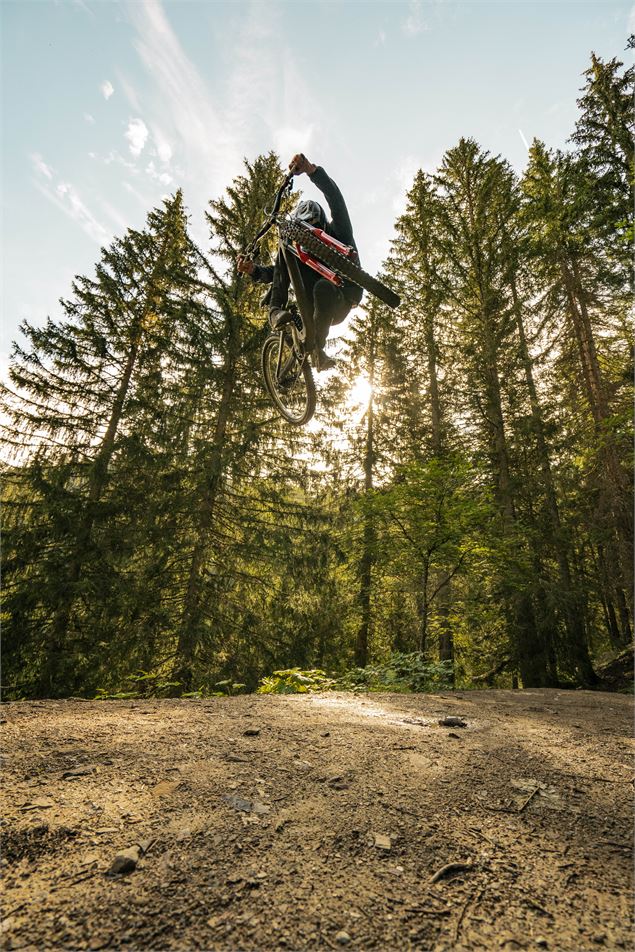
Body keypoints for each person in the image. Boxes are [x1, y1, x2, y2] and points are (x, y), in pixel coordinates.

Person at [237, 153, 363, 371]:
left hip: (339, 300)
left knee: (324, 287)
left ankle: (317, 350)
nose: (311, 242)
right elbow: (278, 273)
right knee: (287, 248)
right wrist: (254, 271)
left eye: (314, 231)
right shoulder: (300, 248)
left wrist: (312, 171)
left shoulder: (339, 231)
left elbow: (335, 198)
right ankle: (276, 312)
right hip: (309, 301)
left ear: (321, 225)